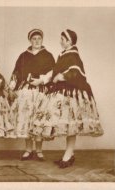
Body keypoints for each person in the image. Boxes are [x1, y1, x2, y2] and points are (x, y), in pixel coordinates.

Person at [45, 29, 104, 168]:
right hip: (64, 93)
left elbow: (76, 72)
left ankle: (68, 155)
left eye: (62, 39)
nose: (60, 41)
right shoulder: (64, 55)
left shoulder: (73, 55)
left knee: (71, 124)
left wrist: (62, 76)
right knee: (68, 125)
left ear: (69, 41)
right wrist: (51, 78)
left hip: (72, 95)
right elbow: (55, 72)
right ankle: (69, 155)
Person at [8, 29, 55, 161]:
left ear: (42, 40)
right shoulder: (23, 56)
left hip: (41, 92)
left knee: (39, 120)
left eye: (39, 38)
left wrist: (41, 80)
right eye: (34, 39)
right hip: (26, 92)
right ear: (30, 40)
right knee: (27, 119)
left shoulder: (48, 55)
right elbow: (16, 73)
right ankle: (28, 150)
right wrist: (11, 88)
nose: (37, 41)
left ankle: (39, 150)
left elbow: (53, 73)